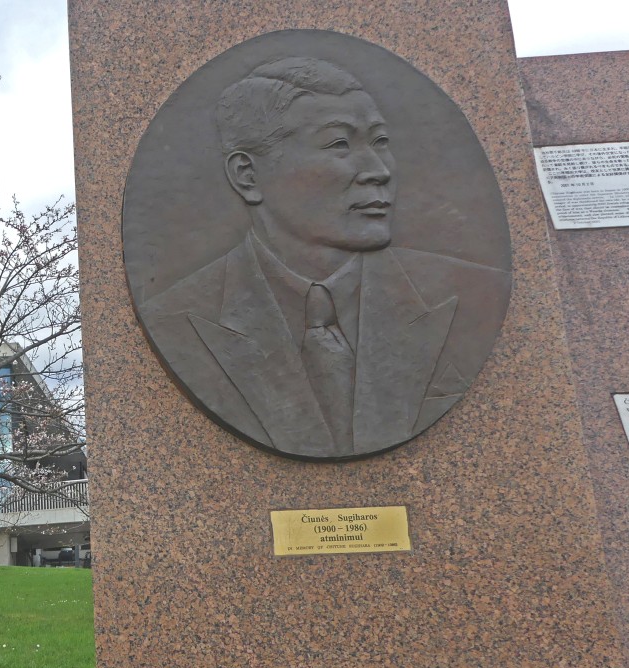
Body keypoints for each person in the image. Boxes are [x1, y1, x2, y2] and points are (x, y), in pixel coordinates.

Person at [141, 57, 509, 459]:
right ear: (247, 175)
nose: (378, 170)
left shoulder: (476, 293)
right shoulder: (176, 318)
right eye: (339, 144)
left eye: (380, 141)